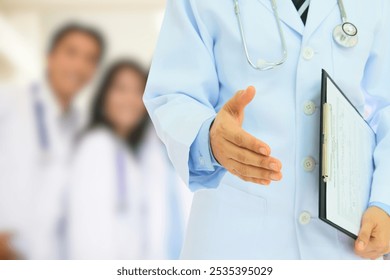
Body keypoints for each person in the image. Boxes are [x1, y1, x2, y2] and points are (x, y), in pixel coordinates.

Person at [144, 0, 390, 259]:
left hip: (345, 235)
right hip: (235, 236)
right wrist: (209, 138)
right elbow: (174, 93)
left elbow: (386, 106)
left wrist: (385, 202)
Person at [67, 60, 191, 260]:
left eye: (137, 91)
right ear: (104, 96)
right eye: (121, 89)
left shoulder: (128, 151)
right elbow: (89, 231)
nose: (129, 99)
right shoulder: (97, 146)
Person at [0, 23, 104, 259]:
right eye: (71, 53)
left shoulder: (84, 125)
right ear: (50, 57)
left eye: (90, 59)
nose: (79, 65)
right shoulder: (8, 101)